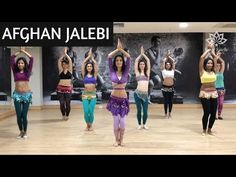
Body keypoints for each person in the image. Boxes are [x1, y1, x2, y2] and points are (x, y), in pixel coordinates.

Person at [106, 38, 131, 147]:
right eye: (117, 60)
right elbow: (109, 57)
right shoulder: (112, 70)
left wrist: (122, 50)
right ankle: (116, 140)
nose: (119, 62)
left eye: (121, 60)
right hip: (114, 99)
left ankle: (122, 139)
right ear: (115, 62)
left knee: (123, 122)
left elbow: (129, 57)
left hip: (123, 100)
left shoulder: (126, 71)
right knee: (116, 121)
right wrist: (117, 50)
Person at [10, 47, 33, 139]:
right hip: (17, 95)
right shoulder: (15, 71)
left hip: (27, 95)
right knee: (19, 115)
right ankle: (21, 131)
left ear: (24, 64)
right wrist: (19, 51)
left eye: (22, 63)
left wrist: (24, 52)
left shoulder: (28, 72)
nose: (20, 64)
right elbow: (12, 58)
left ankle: (25, 131)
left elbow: (31, 59)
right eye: (19, 63)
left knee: (24, 115)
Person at [199, 42, 218, 136]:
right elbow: (202, 58)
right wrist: (208, 49)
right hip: (204, 93)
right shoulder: (202, 71)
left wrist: (212, 50)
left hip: (214, 93)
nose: (210, 64)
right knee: (206, 112)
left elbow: (215, 59)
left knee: (214, 113)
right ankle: (204, 129)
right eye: (208, 63)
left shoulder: (215, 71)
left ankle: (210, 129)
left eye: (211, 63)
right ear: (205, 64)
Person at [81, 48, 98, 131]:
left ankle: (90, 125)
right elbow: (83, 63)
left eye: (90, 66)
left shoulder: (95, 75)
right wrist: (88, 57)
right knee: (86, 111)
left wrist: (92, 58)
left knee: (90, 111)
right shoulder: (84, 74)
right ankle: (87, 124)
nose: (89, 67)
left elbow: (96, 65)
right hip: (85, 95)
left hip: (93, 95)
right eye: (88, 66)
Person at [134, 46, 150, 129]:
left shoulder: (147, 73)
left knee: (145, 112)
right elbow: (136, 61)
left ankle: (144, 124)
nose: (142, 65)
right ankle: (139, 124)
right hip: (137, 94)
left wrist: (144, 54)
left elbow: (148, 60)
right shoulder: (137, 73)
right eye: (141, 64)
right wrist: (140, 55)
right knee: (139, 110)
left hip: (145, 94)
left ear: (145, 65)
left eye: (143, 64)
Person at [56, 47, 73, 120]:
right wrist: (63, 54)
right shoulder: (60, 70)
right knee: (62, 103)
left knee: (68, 104)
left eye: (65, 64)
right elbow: (59, 61)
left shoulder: (70, 70)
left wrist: (66, 54)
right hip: (60, 89)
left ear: (67, 65)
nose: (64, 65)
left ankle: (67, 115)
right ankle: (63, 115)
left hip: (68, 89)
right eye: (63, 64)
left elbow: (70, 60)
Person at [160, 50, 175, 119]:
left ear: (170, 65)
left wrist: (169, 57)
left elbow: (173, 61)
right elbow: (163, 61)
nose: (168, 65)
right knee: (166, 101)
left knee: (171, 101)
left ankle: (170, 113)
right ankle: (166, 113)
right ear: (165, 65)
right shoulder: (163, 70)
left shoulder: (172, 70)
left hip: (171, 87)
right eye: (167, 64)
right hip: (165, 87)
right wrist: (166, 57)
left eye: (169, 64)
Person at [215, 51, 225, 120]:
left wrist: (219, 57)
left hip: (221, 89)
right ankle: (215, 115)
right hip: (215, 89)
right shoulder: (214, 73)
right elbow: (214, 61)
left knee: (221, 103)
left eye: (219, 65)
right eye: (217, 65)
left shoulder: (221, 72)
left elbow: (223, 62)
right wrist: (216, 57)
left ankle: (219, 115)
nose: (218, 66)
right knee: (216, 103)